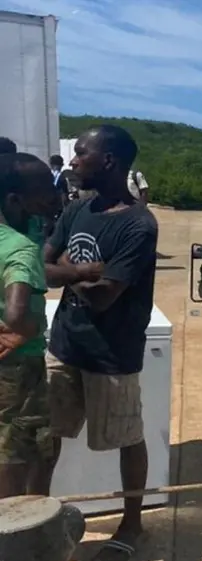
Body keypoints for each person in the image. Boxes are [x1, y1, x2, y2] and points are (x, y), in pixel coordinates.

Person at [42, 125, 158, 561]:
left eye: (81, 154)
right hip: (66, 343)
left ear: (108, 160)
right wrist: (79, 271)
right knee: (45, 437)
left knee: (128, 438)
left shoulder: (139, 224)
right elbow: (42, 264)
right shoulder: (77, 210)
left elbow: (108, 295)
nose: (72, 161)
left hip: (113, 354)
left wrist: (67, 269)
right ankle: (39, 518)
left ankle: (131, 523)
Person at [0, 153, 62, 499]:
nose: (54, 196)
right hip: (18, 363)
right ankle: (12, 531)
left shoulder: (32, 229)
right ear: (14, 200)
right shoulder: (20, 248)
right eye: (43, 189)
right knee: (14, 447)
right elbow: (16, 312)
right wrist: (28, 327)